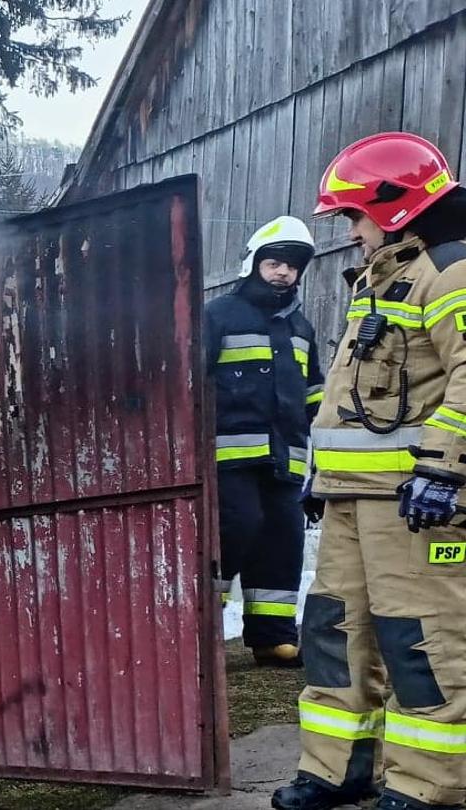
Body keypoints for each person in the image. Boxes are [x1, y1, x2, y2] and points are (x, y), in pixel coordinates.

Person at [272, 132, 466, 810]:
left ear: (395, 205)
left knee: (419, 643)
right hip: (355, 497)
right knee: (333, 632)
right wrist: (319, 470)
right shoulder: (380, 277)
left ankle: (426, 787)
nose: (350, 233)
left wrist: (445, 468)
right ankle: (338, 769)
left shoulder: (452, 270)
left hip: (419, 501)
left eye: (353, 217)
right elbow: (349, 394)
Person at [204, 215, 324, 667]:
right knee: (236, 528)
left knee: (282, 538)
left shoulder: (301, 327)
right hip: (230, 457)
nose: (283, 273)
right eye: (274, 263)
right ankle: (203, 626)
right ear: (253, 263)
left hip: (286, 458)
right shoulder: (219, 314)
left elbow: (315, 393)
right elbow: (190, 380)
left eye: (291, 267)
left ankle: (272, 637)